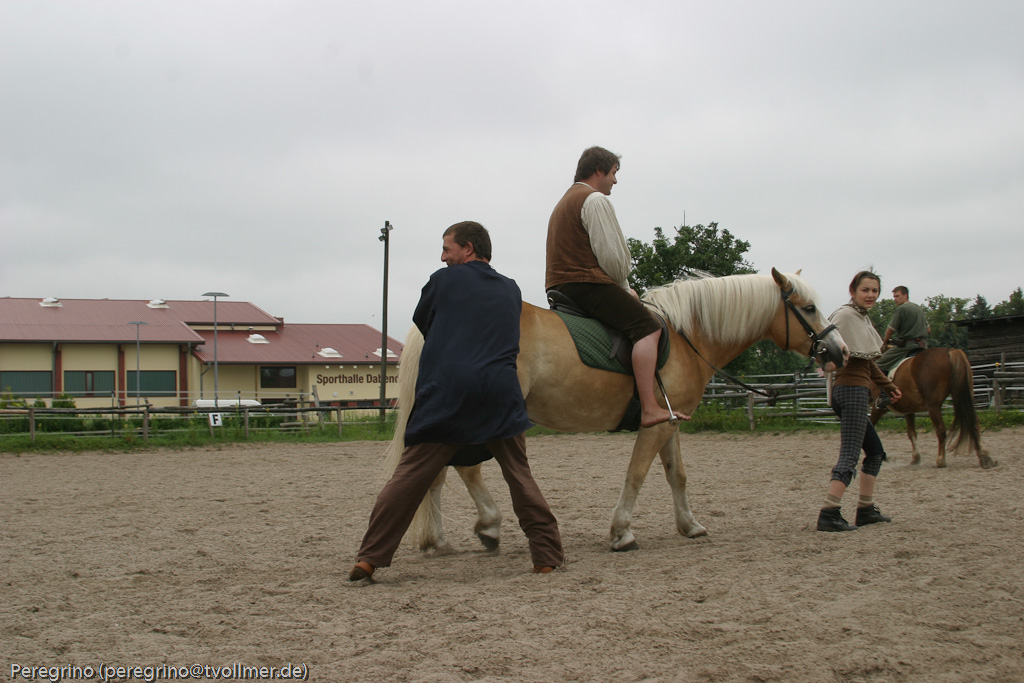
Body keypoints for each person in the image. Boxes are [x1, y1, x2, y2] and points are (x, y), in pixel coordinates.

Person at [349, 221, 564, 581]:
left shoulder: (441, 281)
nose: (442, 256)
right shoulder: (511, 288)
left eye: (447, 248)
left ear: (468, 247)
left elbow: (427, 325)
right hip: (500, 392)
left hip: (448, 392)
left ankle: (369, 558)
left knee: (408, 478)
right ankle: (546, 556)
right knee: (520, 477)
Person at [545, 146, 689, 428]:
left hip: (561, 285)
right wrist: (624, 287)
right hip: (587, 283)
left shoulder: (564, 201)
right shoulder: (594, 200)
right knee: (649, 327)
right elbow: (613, 260)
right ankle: (649, 407)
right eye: (613, 172)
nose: (615, 180)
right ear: (599, 170)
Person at [817, 270, 902, 532]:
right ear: (853, 291)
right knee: (850, 454)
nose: (871, 295)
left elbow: (867, 362)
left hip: (856, 390)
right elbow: (826, 349)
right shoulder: (845, 316)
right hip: (850, 391)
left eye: (875, 291)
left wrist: (888, 386)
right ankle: (829, 513)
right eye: (865, 290)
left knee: (875, 453)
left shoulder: (861, 318)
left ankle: (865, 509)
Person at [877, 285, 930, 375]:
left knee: (878, 364)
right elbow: (928, 330)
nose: (895, 299)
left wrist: (884, 343)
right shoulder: (918, 308)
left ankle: (882, 384)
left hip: (906, 347)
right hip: (923, 346)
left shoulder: (901, 308)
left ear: (905, 295)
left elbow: (890, 330)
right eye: (894, 297)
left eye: (897, 296)